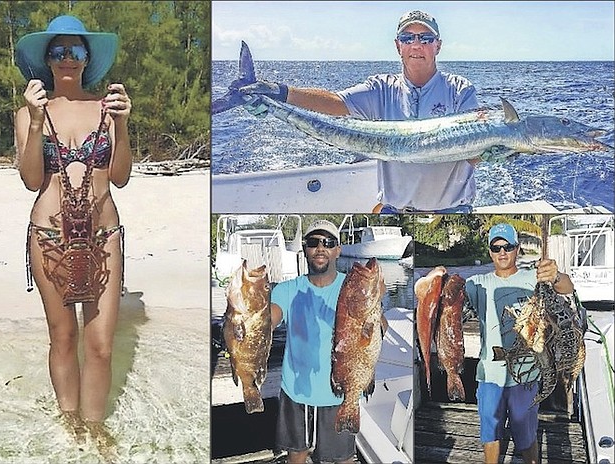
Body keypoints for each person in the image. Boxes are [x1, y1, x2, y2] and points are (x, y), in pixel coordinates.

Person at [14, 14, 132, 451]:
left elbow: (119, 177)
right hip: (48, 236)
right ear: (46, 60)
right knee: (63, 336)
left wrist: (122, 125)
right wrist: (34, 118)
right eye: (58, 51)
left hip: (104, 237)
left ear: (87, 59)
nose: (67, 59)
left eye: (76, 51)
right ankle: (70, 426)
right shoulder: (27, 113)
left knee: (100, 345)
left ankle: (96, 430)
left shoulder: (108, 107)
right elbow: (30, 179)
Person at [240, 10, 479, 213]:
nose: (416, 45)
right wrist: (279, 92)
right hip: (393, 211)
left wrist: (490, 150)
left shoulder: (460, 90)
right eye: (407, 38)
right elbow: (336, 103)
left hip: (453, 210)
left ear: (438, 45)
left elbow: (470, 152)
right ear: (398, 46)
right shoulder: (380, 88)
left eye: (425, 38)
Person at [465, 223, 575, 464]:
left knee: (525, 433)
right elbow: (450, 302)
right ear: (490, 251)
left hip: (527, 374)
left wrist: (555, 275)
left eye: (508, 246)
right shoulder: (477, 283)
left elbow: (567, 289)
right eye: (496, 247)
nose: (502, 252)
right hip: (490, 374)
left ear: (517, 249)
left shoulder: (532, 277)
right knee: (489, 433)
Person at [270, 220, 354, 464]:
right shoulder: (286, 289)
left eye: (328, 243)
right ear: (304, 249)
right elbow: (270, 320)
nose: (320, 248)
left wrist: (374, 300)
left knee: (343, 458)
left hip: (341, 393)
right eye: (313, 242)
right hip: (296, 391)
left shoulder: (353, 286)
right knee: (296, 453)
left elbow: (380, 327)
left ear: (338, 250)